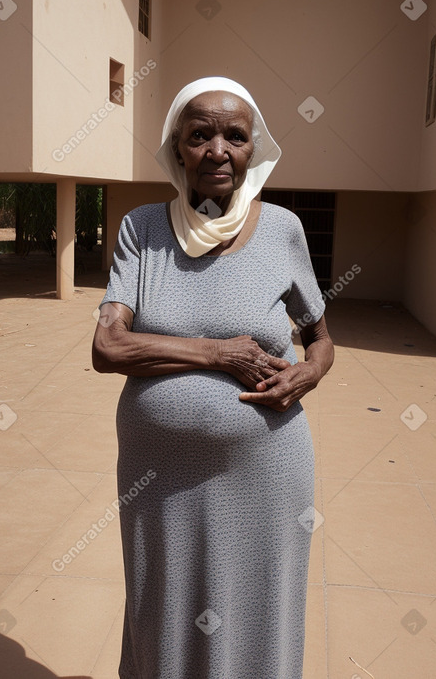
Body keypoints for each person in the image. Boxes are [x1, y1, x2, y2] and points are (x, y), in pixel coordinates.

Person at [92, 77, 334, 678]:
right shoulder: (142, 230)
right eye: (199, 135)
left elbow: (322, 339)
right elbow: (107, 345)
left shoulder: (282, 230)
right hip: (159, 473)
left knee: (261, 605)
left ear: (255, 149)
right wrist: (215, 353)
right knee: (163, 603)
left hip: (267, 469)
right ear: (177, 149)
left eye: (235, 136)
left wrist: (306, 374)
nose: (217, 150)